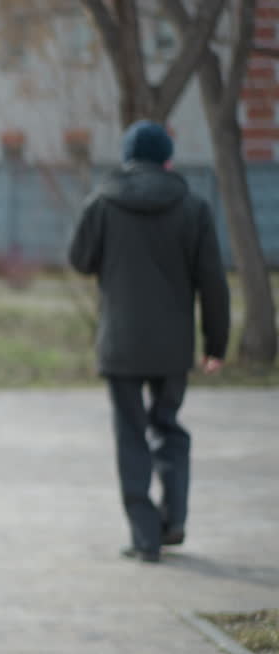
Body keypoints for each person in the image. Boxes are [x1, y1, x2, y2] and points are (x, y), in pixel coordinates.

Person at [69, 120, 230, 564]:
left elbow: (79, 259)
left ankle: (145, 536)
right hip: (172, 348)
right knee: (169, 427)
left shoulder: (103, 202)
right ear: (167, 160)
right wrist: (215, 344)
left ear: (127, 159)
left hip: (120, 344)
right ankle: (173, 519)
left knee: (131, 435)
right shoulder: (193, 207)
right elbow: (213, 282)